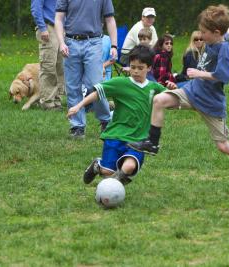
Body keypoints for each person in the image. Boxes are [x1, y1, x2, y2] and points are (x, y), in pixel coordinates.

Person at [128, 5, 229, 189]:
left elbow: (225, 75)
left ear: (215, 33)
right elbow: (224, 35)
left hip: (210, 103)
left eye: (203, 32)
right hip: (192, 92)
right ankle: (152, 143)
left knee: (223, 146)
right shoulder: (217, 38)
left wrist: (200, 74)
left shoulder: (223, 49)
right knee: (159, 100)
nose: (200, 36)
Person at [67, 45, 165, 185]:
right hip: (116, 134)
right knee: (107, 171)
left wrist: (176, 91)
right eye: (133, 67)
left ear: (149, 68)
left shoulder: (154, 87)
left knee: (129, 166)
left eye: (140, 67)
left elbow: (172, 98)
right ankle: (97, 166)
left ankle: (113, 186)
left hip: (138, 140)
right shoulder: (120, 83)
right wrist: (78, 106)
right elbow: (97, 93)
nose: (136, 71)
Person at [55, 0, 118, 138]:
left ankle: (105, 121)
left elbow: (110, 19)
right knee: (72, 86)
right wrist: (61, 42)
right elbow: (59, 18)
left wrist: (114, 45)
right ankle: (77, 127)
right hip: (70, 42)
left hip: (94, 42)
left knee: (96, 85)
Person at [31, 0, 64, 110]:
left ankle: (57, 100)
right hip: (48, 28)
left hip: (61, 29)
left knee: (60, 67)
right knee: (48, 67)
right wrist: (42, 28)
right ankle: (47, 102)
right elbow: (36, 8)